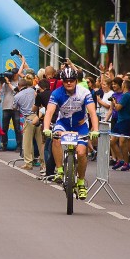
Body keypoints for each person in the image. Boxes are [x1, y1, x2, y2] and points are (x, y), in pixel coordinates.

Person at [42, 66, 100, 199]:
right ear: (62, 81)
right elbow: (50, 112)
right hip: (63, 123)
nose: (69, 83)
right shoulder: (56, 93)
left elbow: (92, 113)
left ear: (76, 81)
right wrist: (46, 128)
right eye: (66, 80)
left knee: (81, 152)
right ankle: (60, 171)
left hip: (80, 126)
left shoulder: (84, 92)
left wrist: (95, 130)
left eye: (72, 80)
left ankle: (80, 183)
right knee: (55, 138)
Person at [13, 75, 38, 168]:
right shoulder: (33, 91)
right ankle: (44, 164)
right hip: (39, 116)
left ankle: (28, 163)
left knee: (27, 142)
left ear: (19, 86)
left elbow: (14, 107)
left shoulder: (17, 96)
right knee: (40, 143)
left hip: (28, 118)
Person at [109, 78, 130, 171]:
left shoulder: (126, 95)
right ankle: (120, 159)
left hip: (125, 120)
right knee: (112, 141)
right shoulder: (125, 95)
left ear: (124, 86)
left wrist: (114, 102)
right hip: (119, 120)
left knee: (123, 142)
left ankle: (126, 162)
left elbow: (118, 107)